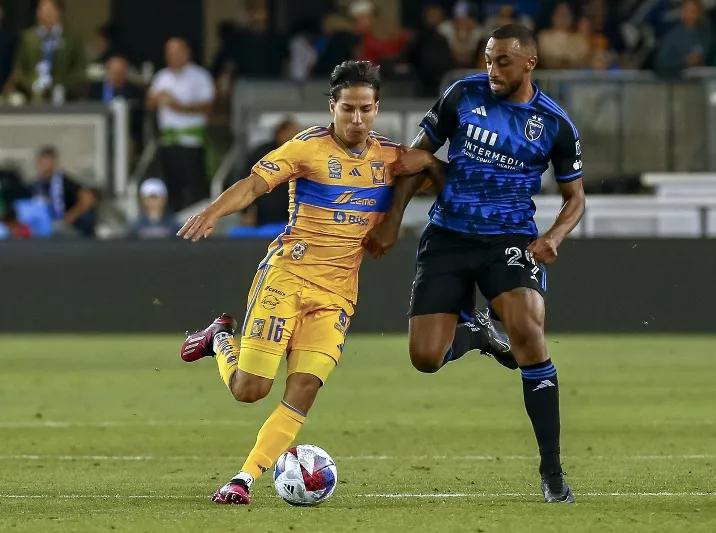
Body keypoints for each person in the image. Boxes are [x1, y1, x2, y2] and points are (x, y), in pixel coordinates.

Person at [362, 24, 586, 503]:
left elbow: (576, 198)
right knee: (425, 358)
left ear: (530, 62)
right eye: (488, 59)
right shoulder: (462, 95)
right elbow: (416, 159)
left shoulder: (554, 124)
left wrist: (554, 236)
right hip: (447, 236)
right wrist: (390, 219)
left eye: (502, 61)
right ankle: (477, 333)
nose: (492, 70)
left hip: (508, 239)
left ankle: (552, 473)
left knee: (527, 328)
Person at [176, 61, 408, 505]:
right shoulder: (306, 148)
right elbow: (253, 185)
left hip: (337, 293)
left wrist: (394, 219)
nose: (356, 120)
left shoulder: (392, 156)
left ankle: (242, 480)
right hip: (288, 277)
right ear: (332, 107)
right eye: (347, 109)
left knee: (303, 389)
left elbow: (431, 169)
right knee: (251, 390)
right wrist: (212, 212)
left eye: (365, 110)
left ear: (377, 109)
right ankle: (219, 338)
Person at [147, 38, 215, 212]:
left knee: (195, 189)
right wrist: (155, 99)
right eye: (169, 54)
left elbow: (207, 107)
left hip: (191, 141)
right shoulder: (161, 76)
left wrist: (178, 106)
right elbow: (149, 104)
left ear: (186, 53)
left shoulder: (200, 75)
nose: (173, 57)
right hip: (168, 142)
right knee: (171, 188)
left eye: (177, 53)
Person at [29, 145, 98, 237]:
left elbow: (88, 198)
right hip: (41, 226)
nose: (45, 166)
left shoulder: (64, 182)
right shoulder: (34, 185)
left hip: (64, 223)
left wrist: (72, 215)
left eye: (48, 162)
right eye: (43, 163)